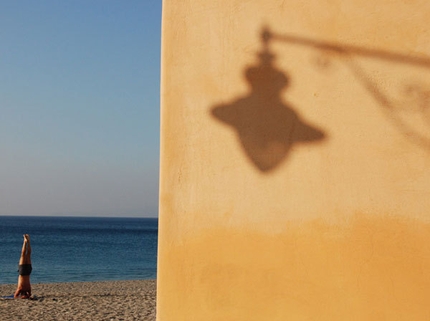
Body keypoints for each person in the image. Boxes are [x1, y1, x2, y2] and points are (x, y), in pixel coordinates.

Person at [14, 234, 32, 299]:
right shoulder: (27, 289)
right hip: (26, 272)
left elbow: (15, 296)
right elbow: (30, 295)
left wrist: (22, 297)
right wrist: (28, 296)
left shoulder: (20, 289)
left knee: (24, 255)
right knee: (27, 254)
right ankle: (27, 241)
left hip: (23, 272)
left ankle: (25, 241)